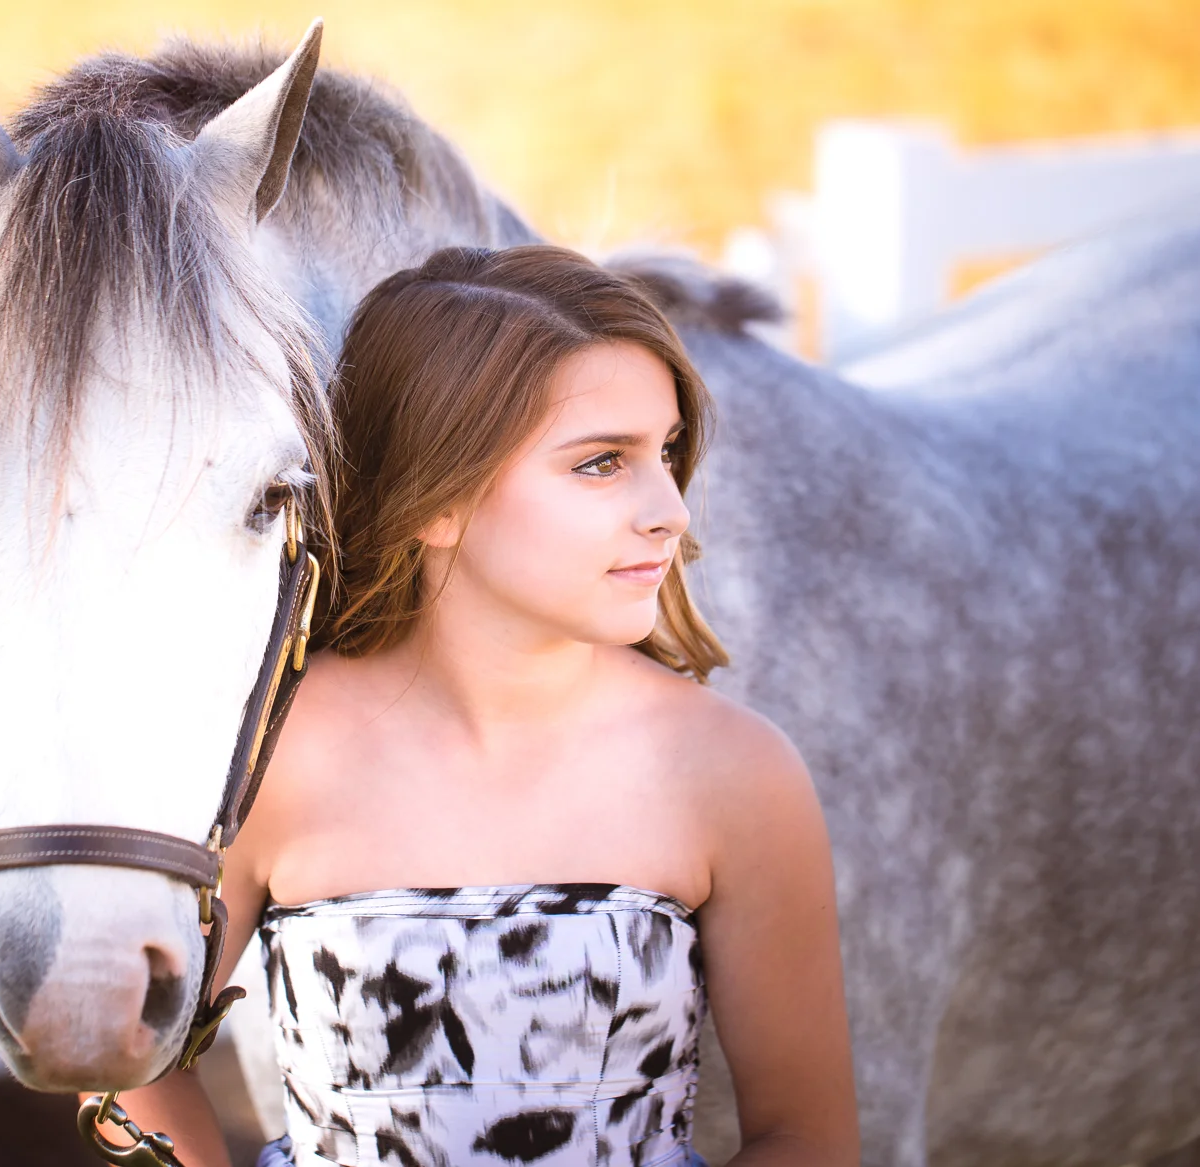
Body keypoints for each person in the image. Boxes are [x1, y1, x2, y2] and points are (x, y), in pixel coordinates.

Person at [103, 245, 858, 1167]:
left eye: (663, 453)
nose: (669, 510)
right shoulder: (263, 757)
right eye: (600, 464)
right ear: (438, 498)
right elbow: (127, 1063)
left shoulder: (733, 771)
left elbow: (807, 1137)